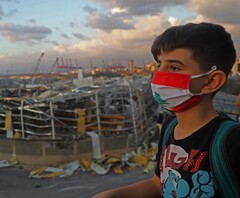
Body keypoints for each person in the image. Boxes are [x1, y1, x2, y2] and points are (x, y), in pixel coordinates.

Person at [92, 22, 240, 197]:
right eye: (158, 65)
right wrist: (111, 195)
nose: (159, 75)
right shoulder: (170, 127)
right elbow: (159, 183)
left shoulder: (232, 141)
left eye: (174, 67)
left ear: (210, 82)